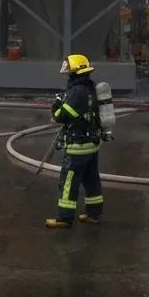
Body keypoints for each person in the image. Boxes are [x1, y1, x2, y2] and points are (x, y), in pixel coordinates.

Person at [46, 54, 105, 228]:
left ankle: (65, 218)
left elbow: (60, 116)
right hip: (92, 144)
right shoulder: (91, 88)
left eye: (69, 73)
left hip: (77, 146)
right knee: (92, 180)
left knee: (68, 183)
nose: (67, 76)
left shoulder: (76, 91)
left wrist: (57, 104)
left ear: (75, 73)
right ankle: (93, 214)